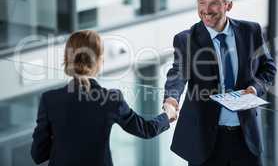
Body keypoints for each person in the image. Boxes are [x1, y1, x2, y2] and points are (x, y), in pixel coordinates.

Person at [163, 0, 277, 166]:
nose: (206, 10)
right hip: (206, 140)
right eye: (202, 2)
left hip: (246, 136)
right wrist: (171, 99)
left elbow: (268, 67)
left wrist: (255, 89)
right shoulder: (186, 39)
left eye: (214, 3)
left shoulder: (251, 31)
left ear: (228, 5)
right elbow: (178, 73)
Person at [31, 30, 177, 166]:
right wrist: (167, 115)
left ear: (68, 59)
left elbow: (38, 155)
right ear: (99, 60)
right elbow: (146, 130)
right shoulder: (111, 99)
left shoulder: (49, 100)